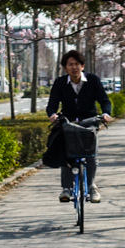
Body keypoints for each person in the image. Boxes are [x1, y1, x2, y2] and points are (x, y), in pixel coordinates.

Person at [46, 50, 112, 203]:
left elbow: (104, 100)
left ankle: (91, 186)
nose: (74, 67)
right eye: (70, 65)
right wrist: (52, 114)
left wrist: (106, 113)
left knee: (91, 156)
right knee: (66, 155)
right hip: (68, 123)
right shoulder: (60, 83)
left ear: (82, 66)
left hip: (89, 122)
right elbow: (52, 104)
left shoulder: (93, 81)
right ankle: (67, 188)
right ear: (65, 68)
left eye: (77, 64)